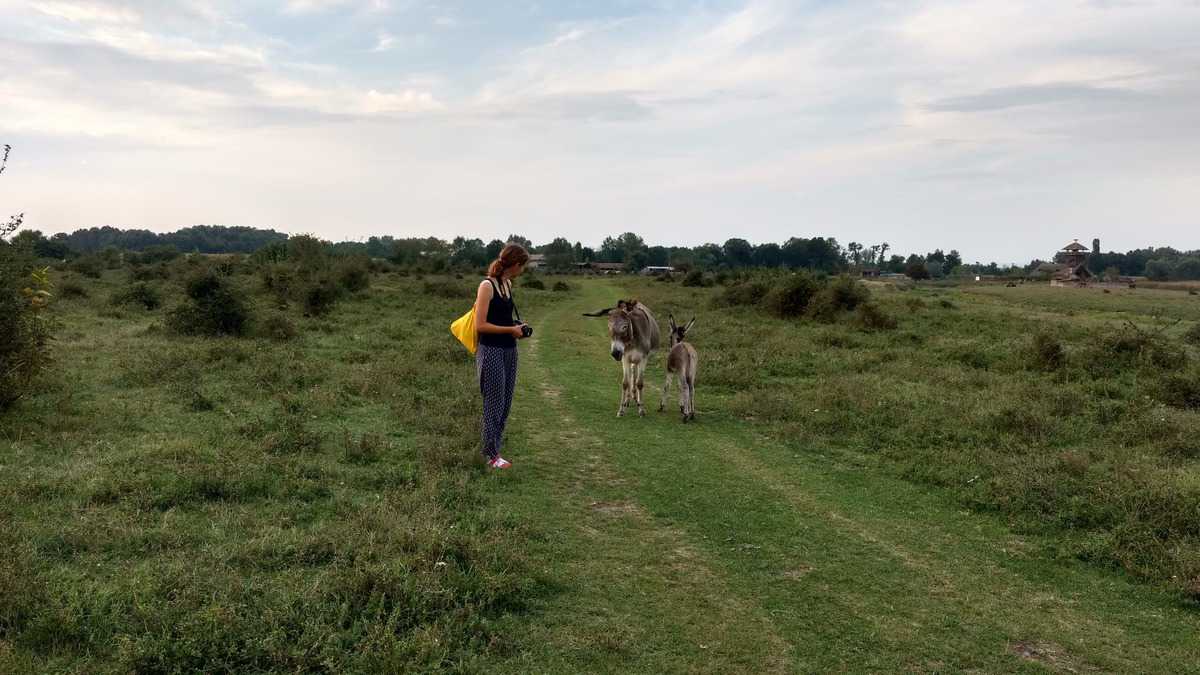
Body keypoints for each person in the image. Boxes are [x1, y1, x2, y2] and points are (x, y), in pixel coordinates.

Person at [473, 243, 531, 469]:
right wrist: (510, 330)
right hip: (491, 351)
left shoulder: (507, 284)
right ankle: (490, 456)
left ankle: (495, 448)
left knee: (505, 403)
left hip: (509, 350)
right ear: (515, 264)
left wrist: (517, 327)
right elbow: (480, 325)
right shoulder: (487, 286)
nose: (522, 270)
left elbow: (501, 318)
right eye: (522, 265)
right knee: (494, 403)